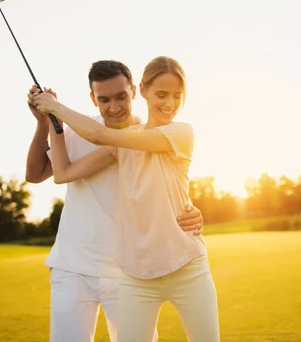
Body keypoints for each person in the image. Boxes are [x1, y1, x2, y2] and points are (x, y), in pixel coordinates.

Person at [32, 56, 220, 342]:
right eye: (161, 94)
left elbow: (98, 135)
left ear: (133, 91)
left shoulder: (180, 132)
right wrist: (50, 122)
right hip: (132, 273)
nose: (169, 102)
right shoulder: (123, 141)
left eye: (177, 96)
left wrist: (54, 105)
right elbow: (63, 173)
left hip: (182, 265)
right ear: (143, 90)